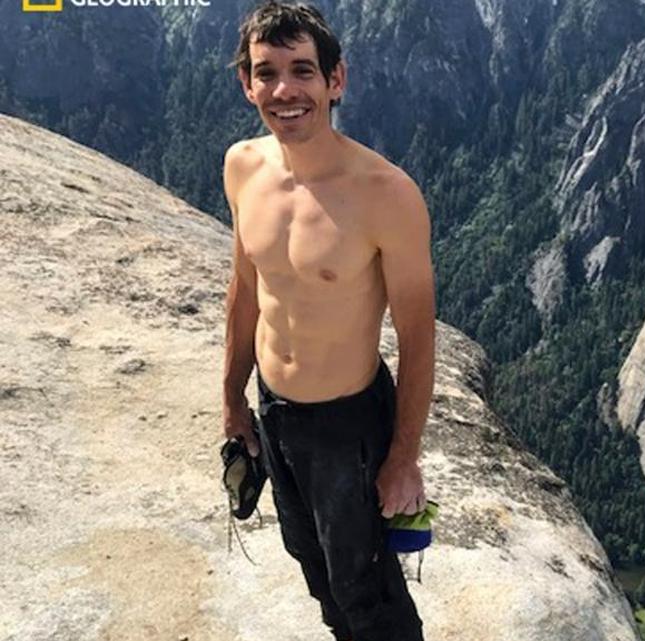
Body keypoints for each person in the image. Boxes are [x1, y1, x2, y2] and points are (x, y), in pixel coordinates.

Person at [220, 2, 434, 640]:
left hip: (351, 427)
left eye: (302, 71)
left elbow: (419, 336)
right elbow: (245, 290)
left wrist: (403, 457)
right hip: (276, 413)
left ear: (335, 81)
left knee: (369, 591)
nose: (284, 90)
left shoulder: (386, 194)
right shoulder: (242, 167)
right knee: (314, 566)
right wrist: (232, 399)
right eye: (267, 73)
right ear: (247, 84)